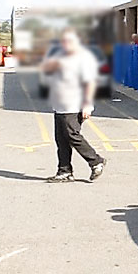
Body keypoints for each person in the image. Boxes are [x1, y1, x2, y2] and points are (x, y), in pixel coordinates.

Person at [41, 29, 107, 183]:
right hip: (60, 105)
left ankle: (95, 161)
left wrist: (87, 105)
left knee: (72, 135)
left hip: (73, 105)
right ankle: (64, 171)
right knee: (61, 140)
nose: (66, 44)